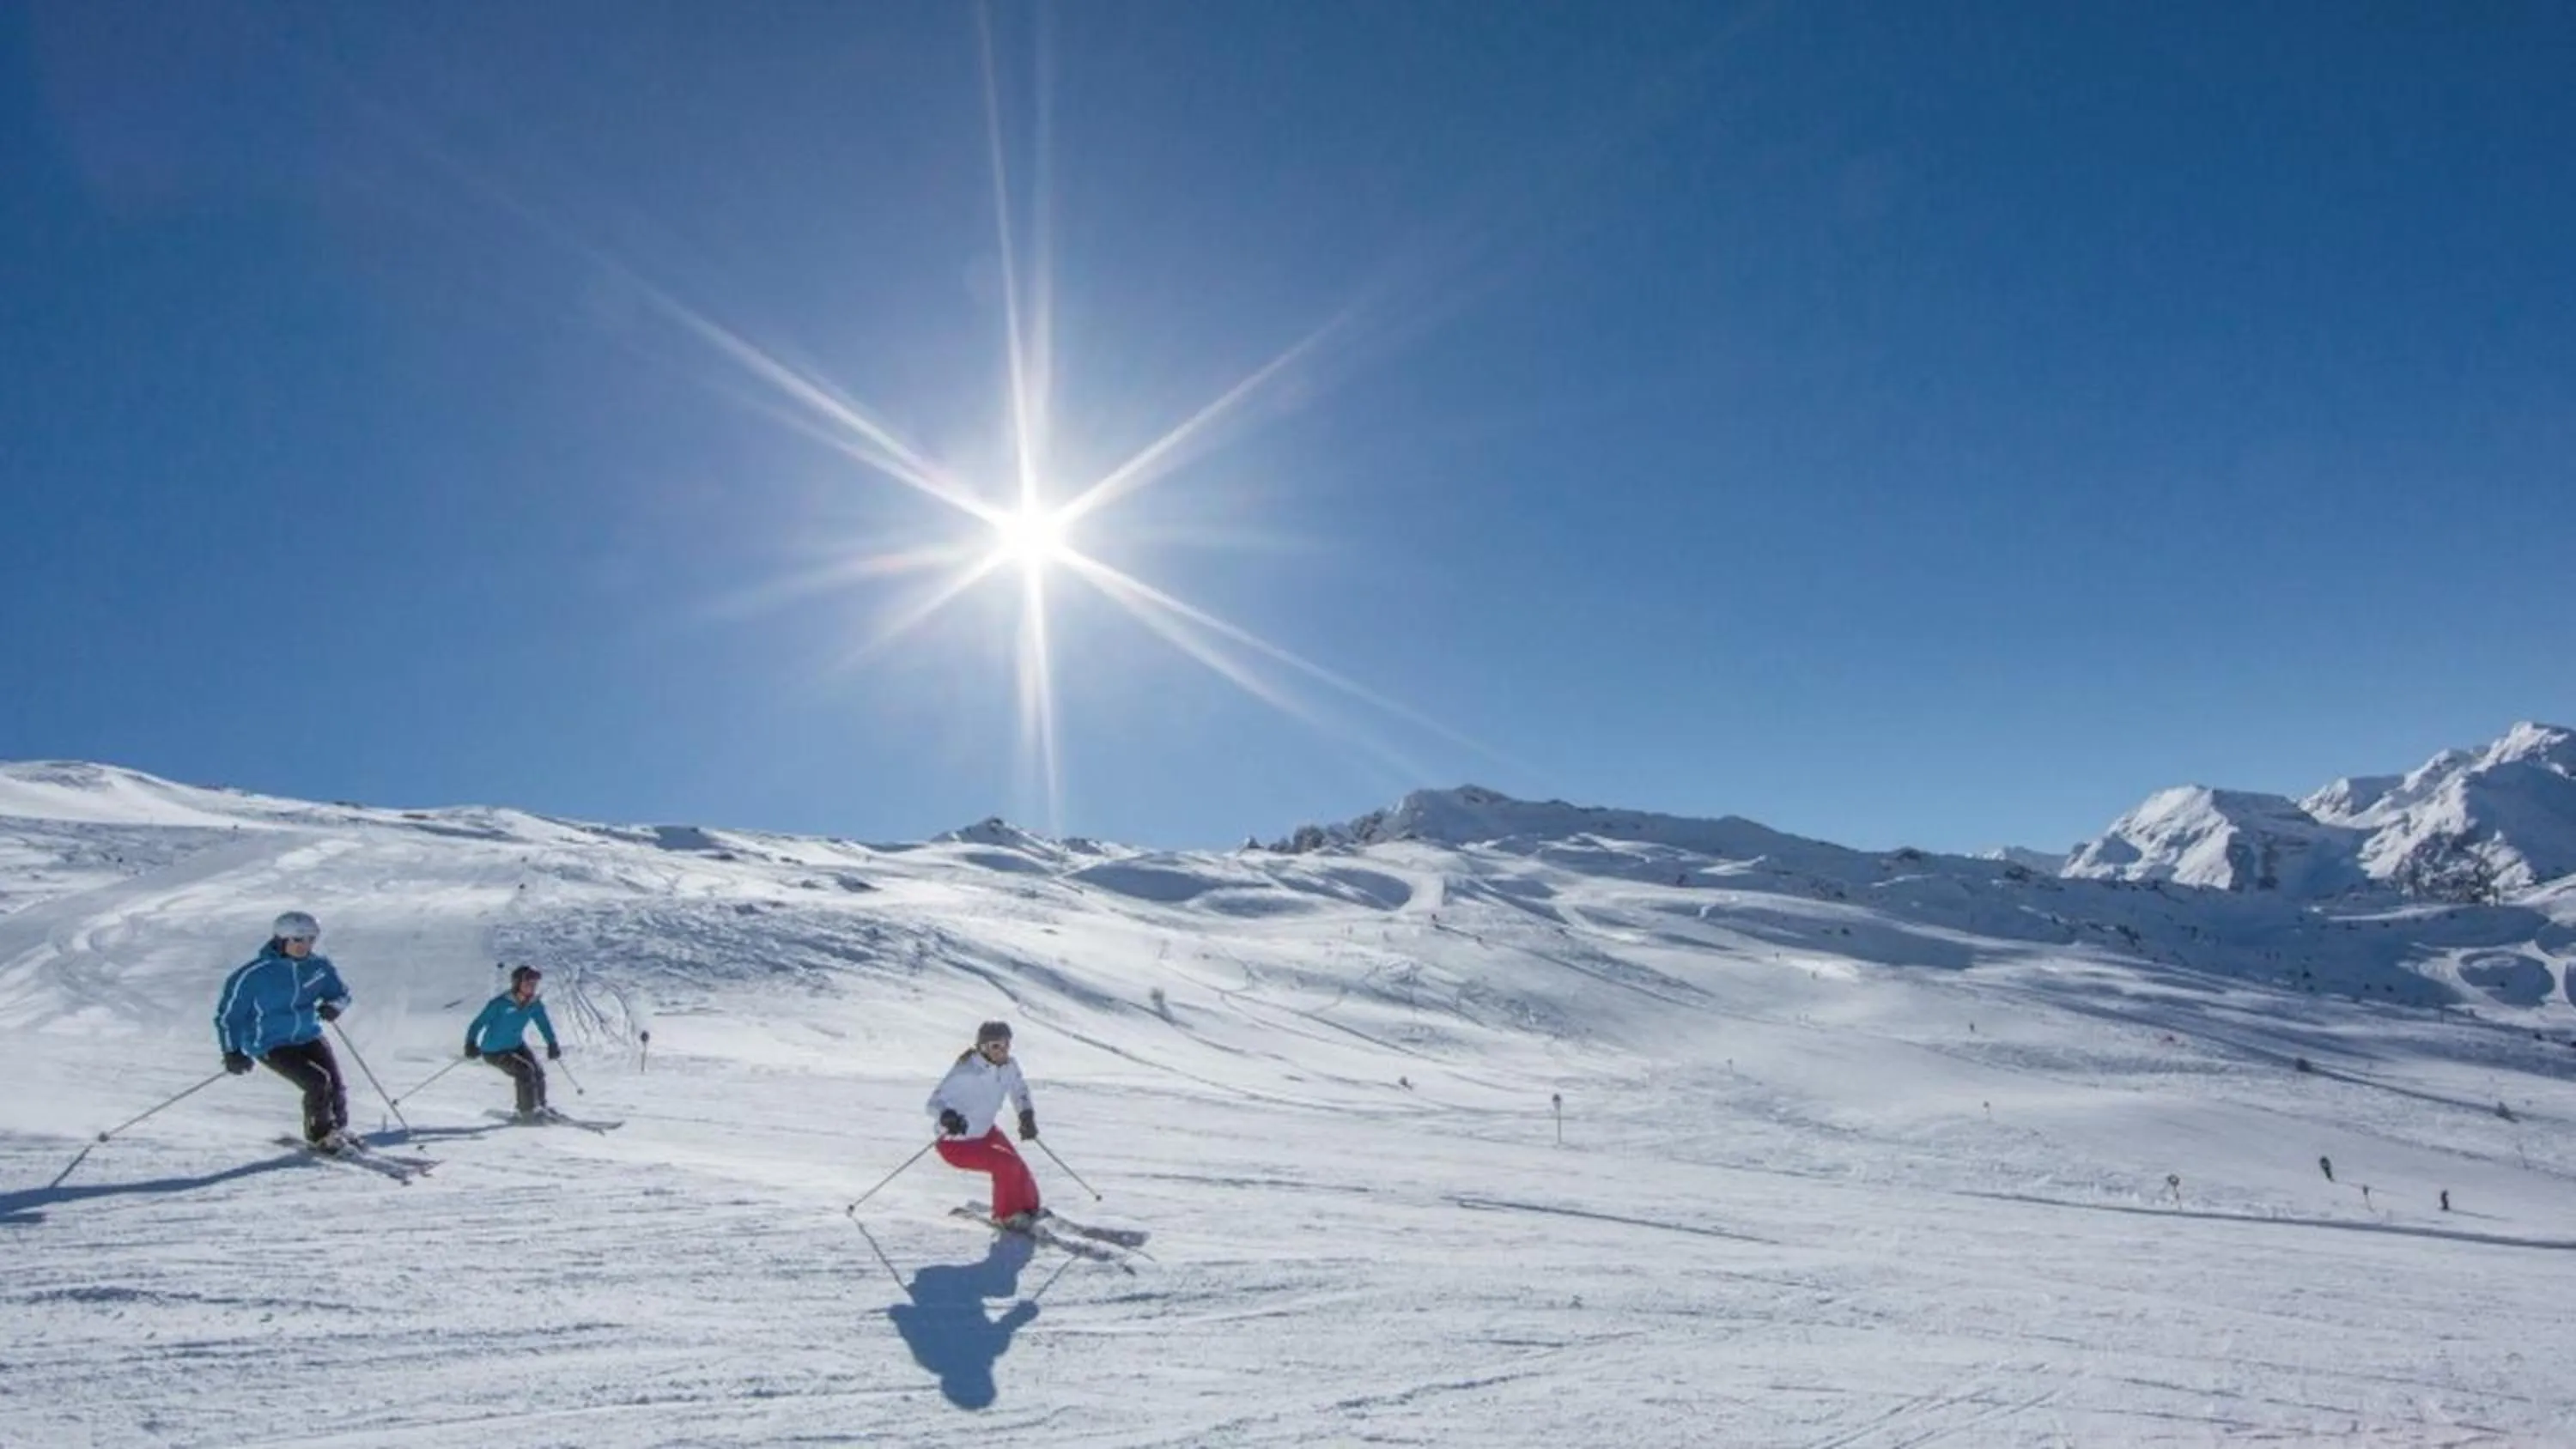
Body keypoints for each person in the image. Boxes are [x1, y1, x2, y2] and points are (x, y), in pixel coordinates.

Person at [214, 910, 355, 1153]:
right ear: (281, 940)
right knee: (318, 1083)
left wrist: (334, 1006)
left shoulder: (318, 967)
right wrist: (232, 1052)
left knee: (337, 1087)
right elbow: (229, 1017)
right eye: (297, 940)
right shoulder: (253, 975)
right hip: (270, 1043)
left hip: (309, 1035)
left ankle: (338, 1130)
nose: (304, 946)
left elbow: (341, 994)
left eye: (310, 940)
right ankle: (321, 1136)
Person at [926, 1020, 1042, 1228]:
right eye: (995, 1046)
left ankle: (1029, 1207)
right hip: (957, 1142)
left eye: (1006, 1045)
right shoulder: (966, 1071)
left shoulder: (1009, 1066)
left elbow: (1019, 1090)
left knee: (1017, 1163)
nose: (1002, 1051)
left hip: (985, 1132)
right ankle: (1005, 1216)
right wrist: (947, 1117)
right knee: (1005, 1164)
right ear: (982, 1047)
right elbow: (933, 1104)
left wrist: (1026, 1115)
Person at [464, 965, 562, 1121]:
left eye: (534, 984)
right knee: (525, 1071)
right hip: (494, 1051)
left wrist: (552, 1043)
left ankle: (540, 1107)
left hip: (516, 1045)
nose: (532, 987)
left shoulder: (534, 1004)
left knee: (537, 1071)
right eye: (528, 983)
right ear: (517, 984)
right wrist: (470, 1043)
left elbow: (544, 1024)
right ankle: (526, 1112)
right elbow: (478, 1023)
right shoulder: (500, 1004)